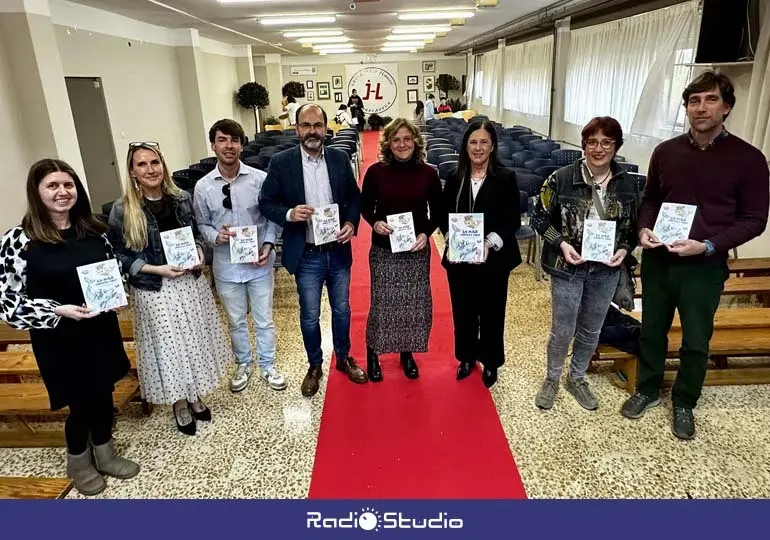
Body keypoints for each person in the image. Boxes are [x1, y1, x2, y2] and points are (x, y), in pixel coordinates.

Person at [622, 71, 769, 439]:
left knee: (696, 339)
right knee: (652, 330)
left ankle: (685, 400)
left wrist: (708, 245)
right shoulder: (666, 151)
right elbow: (651, 199)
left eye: (710, 99)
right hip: (660, 261)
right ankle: (648, 388)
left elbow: (754, 219)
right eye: (694, 101)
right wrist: (643, 231)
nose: (701, 108)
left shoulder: (748, 159)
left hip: (703, 265)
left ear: (727, 106)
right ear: (686, 107)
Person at [0, 159, 139, 496]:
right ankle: (78, 461)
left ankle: (105, 452)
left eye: (68, 185)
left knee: (103, 394)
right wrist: (55, 310)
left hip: (99, 331)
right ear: (37, 192)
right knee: (80, 403)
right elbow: (6, 301)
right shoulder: (19, 240)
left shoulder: (94, 231)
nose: (62, 192)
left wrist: (116, 294)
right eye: (53, 186)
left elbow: (113, 273)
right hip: (60, 338)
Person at [108, 142, 230, 436]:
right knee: (169, 346)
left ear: (163, 165)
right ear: (132, 172)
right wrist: (153, 268)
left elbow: (196, 233)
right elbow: (118, 254)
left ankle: (195, 394)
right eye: (142, 164)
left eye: (154, 162)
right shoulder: (123, 209)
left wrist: (200, 251)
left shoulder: (181, 198)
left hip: (188, 282)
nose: (150, 169)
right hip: (155, 287)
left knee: (192, 340)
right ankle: (179, 402)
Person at [532, 116, 639, 411]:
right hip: (568, 267)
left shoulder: (627, 184)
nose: (599, 149)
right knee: (562, 328)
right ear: (583, 145)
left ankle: (576, 377)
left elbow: (631, 228)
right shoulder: (561, 178)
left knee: (592, 328)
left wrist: (625, 249)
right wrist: (562, 244)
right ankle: (552, 378)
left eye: (607, 143)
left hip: (606, 270)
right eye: (592, 142)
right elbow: (540, 218)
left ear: (616, 146)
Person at [259, 103, 367, 397]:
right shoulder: (282, 162)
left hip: (338, 250)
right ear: (297, 129)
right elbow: (266, 202)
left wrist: (351, 222)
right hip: (306, 253)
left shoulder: (339, 158)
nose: (312, 132)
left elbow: (355, 198)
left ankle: (343, 358)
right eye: (306, 126)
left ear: (325, 128)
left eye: (317, 126)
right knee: (309, 315)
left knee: (342, 309)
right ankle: (315, 365)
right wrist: (290, 213)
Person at [193, 119, 286, 394]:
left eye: (234, 140)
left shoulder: (259, 179)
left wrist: (268, 245)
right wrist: (214, 237)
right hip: (226, 266)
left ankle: (268, 365)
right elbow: (202, 224)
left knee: (264, 319)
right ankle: (244, 363)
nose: (228, 146)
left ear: (242, 145)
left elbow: (273, 217)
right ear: (213, 145)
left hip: (258, 262)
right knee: (235, 320)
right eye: (222, 140)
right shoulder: (203, 187)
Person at [439, 120, 521, 388]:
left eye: (484, 142)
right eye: (473, 142)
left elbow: (512, 221)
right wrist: (453, 239)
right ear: (465, 145)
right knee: (463, 310)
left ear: (493, 145)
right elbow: (442, 215)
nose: (478, 147)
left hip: (494, 258)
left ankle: (491, 361)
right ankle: (466, 357)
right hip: (460, 259)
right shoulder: (454, 177)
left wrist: (488, 242)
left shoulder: (505, 178)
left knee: (492, 312)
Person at [360, 118, 443, 381]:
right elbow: (365, 207)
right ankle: (373, 352)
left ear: (416, 142)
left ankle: (406, 354)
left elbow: (438, 212)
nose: (402, 144)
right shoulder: (375, 172)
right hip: (385, 250)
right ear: (388, 144)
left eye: (407, 139)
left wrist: (425, 233)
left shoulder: (428, 173)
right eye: (396, 139)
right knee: (382, 304)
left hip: (416, 250)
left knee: (412, 305)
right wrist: (376, 223)